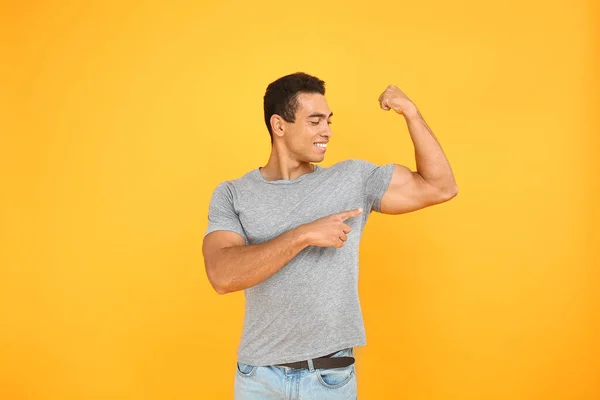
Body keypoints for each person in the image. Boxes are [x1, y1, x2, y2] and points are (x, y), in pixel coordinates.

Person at [202, 72, 458, 399]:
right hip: (258, 379)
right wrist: (303, 235)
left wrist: (411, 113)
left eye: (328, 120)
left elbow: (441, 187)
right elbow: (222, 275)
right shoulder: (233, 194)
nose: (327, 131)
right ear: (279, 125)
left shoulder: (352, 179)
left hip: (328, 379)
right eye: (315, 121)